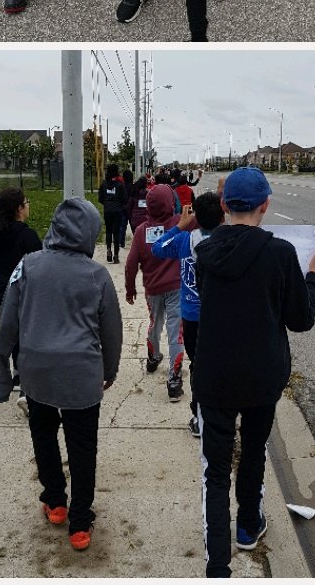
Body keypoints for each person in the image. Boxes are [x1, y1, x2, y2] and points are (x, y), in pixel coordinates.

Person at [192, 168, 315, 578]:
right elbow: (300, 319)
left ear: (223, 205)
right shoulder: (280, 253)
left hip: (214, 373)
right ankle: (248, 526)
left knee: (215, 470)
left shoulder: (204, 251)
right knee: (253, 453)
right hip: (261, 374)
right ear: (265, 206)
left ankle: (218, 563)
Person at [0, 197, 123, 551]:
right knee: (83, 447)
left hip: (37, 372)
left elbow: (9, 321)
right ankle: (80, 523)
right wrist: (109, 370)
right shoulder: (96, 275)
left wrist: (3, 372)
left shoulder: (28, 265)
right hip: (81, 374)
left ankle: (55, 501)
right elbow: (112, 329)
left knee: (44, 435)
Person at [152, 189, 225, 436]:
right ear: (223, 217)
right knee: (220, 365)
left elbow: (158, 248)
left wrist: (180, 226)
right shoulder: (226, 242)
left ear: (194, 216)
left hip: (192, 317)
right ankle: (219, 413)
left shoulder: (185, 240)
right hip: (219, 316)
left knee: (197, 365)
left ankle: (199, 415)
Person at [0, 187, 41, 402]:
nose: (28, 205)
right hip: (26, 292)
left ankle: (18, 373)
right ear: (19, 209)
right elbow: (39, 265)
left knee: (12, 333)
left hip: (3, 291)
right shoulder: (27, 236)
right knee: (29, 336)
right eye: (27, 202)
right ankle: (27, 381)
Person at [124, 183, 185, 400]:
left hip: (152, 289)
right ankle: (174, 379)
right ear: (170, 202)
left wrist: (130, 288)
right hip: (177, 287)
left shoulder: (141, 231)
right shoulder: (180, 223)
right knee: (176, 330)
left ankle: (153, 356)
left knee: (154, 322)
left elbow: (131, 264)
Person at [97, 162, 128, 264]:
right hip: (117, 211)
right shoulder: (120, 185)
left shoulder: (104, 184)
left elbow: (100, 199)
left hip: (107, 210)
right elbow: (124, 199)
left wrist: (107, 203)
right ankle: (116, 255)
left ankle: (108, 250)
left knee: (109, 231)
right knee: (116, 232)